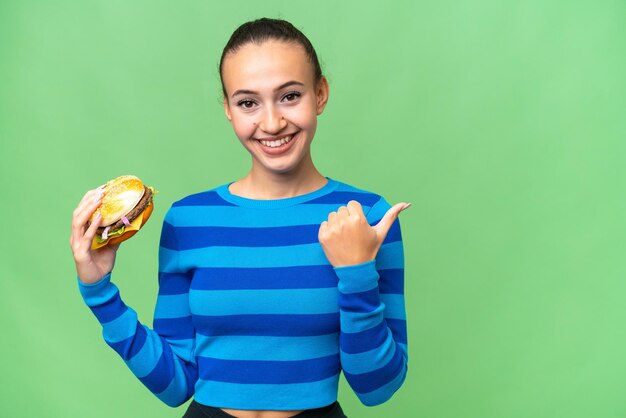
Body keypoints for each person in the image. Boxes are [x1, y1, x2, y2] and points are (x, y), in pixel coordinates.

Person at [70, 18, 410, 418]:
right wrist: (99, 293)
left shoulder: (365, 219)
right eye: (248, 102)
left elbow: (377, 388)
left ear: (320, 94)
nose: (271, 123)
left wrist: (357, 274)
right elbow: (176, 383)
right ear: (229, 109)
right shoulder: (188, 221)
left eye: (290, 96)